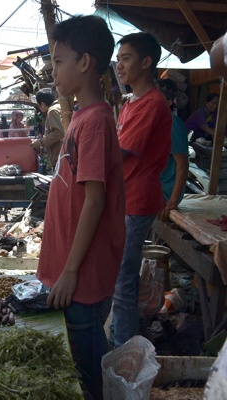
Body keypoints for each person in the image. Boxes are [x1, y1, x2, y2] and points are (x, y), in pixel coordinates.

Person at [35, 16, 125, 400]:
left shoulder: (95, 123)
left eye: (58, 61)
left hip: (83, 280)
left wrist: (70, 272)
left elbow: (95, 199)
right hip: (73, 273)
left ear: (85, 63)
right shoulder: (82, 118)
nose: (52, 70)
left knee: (87, 378)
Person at [109, 32, 172, 349]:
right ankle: (122, 337)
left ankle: (124, 349)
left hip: (136, 200)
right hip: (127, 198)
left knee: (123, 281)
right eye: (118, 60)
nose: (119, 66)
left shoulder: (151, 104)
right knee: (121, 277)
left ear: (146, 62)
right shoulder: (131, 102)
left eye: (126, 59)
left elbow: (118, 154)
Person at [156, 79, 189, 221]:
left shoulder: (172, 123)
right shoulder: (156, 121)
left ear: (169, 102)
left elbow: (182, 164)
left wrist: (172, 203)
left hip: (165, 193)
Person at [32, 88, 65, 170]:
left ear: (42, 104)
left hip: (60, 156)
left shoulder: (52, 111)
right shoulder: (60, 107)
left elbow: (59, 132)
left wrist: (40, 142)